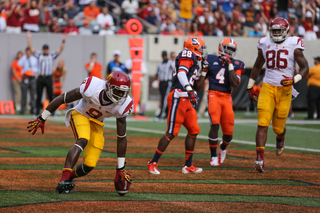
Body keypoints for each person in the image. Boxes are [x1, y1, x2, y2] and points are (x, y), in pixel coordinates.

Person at [27, 71, 133, 194]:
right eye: (118, 90)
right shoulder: (92, 88)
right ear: (108, 87)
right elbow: (63, 98)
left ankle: (69, 178)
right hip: (80, 114)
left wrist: (121, 168)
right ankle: (64, 178)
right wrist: (43, 117)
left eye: (123, 92)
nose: (121, 95)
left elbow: (121, 137)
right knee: (83, 138)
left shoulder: (123, 105)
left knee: (90, 164)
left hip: (97, 124)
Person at [247, 17, 309, 173]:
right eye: (273, 30)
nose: (275, 33)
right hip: (267, 87)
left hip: (285, 90)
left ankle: (280, 138)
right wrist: (250, 86)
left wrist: (294, 79)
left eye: (278, 31)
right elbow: (257, 65)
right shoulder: (264, 43)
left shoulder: (294, 45)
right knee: (262, 123)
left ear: (286, 31)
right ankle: (259, 159)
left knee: (277, 128)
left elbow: (305, 68)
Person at [147, 36, 206, 175]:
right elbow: (181, 73)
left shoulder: (194, 60)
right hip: (178, 96)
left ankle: (188, 165)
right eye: (201, 48)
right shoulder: (188, 54)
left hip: (186, 98)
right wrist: (189, 89)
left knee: (194, 129)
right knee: (172, 132)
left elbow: (196, 85)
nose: (203, 51)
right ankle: (152, 163)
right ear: (194, 47)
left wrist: (203, 72)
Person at [197, 38, 245, 166]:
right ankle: (213, 156)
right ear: (221, 48)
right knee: (215, 124)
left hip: (227, 97)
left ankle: (223, 147)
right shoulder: (211, 59)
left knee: (228, 133)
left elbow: (236, 83)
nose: (229, 52)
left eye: (232, 50)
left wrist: (229, 65)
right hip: (213, 95)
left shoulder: (237, 64)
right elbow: (199, 81)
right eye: (227, 48)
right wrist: (203, 70)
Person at [27, 31, 66, 115]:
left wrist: (63, 41)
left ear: (48, 49)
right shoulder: (39, 55)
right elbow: (31, 48)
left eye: (46, 49)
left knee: (50, 95)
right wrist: (29, 38)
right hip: (40, 78)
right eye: (44, 49)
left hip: (48, 78)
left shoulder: (51, 55)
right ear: (43, 49)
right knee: (39, 96)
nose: (45, 50)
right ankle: (36, 112)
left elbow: (60, 50)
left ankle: (53, 112)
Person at [150, 50, 175, 120]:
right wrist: (151, 82)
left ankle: (161, 113)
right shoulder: (160, 64)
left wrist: (173, 81)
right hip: (161, 82)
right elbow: (156, 74)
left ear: (167, 56)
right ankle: (166, 114)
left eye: (165, 55)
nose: (164, 57)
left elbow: (174, 72)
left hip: (168, 82)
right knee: (163, 97)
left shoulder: (170, 63)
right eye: (163, 55)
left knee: (165, 98)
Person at [18, 47, 38, 115]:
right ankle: (22, 109)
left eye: (29, 52)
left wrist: (31, 72)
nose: (28, 53)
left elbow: (37, 68)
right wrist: (24, 56)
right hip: (25, 77)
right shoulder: (24, 58)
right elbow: (19, 63)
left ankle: (32, 109)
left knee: (32, 95)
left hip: (32, 78)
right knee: (24, 94)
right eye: (27, 52)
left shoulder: (34, 59)